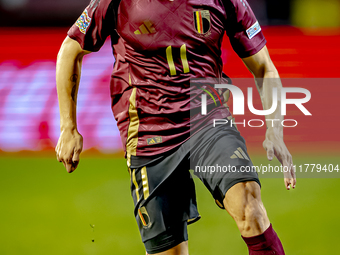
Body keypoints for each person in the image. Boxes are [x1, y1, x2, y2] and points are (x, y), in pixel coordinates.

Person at [55, 0, 296, 254]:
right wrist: (68, 127)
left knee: (248, 200)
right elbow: (70, 50)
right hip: (149, 133)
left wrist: (275, 131)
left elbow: (264, 66)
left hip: (208, 121)